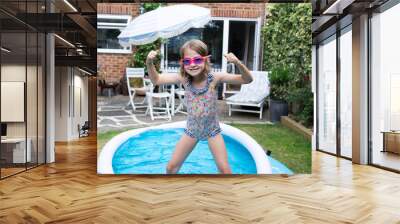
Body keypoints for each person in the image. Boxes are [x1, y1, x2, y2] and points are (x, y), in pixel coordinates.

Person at [146, 39, 253, 174]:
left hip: (212, 130)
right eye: (187, 61)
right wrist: (149, 62)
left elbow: (247, 79)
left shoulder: (215, 77)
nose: (192, 65)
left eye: (197, 60)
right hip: (192, 130)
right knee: (171, 168)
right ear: (182, 63)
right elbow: (156, 80)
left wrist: (237, 62)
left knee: (225, 171)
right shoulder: (183, 79)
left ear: (206, 60)